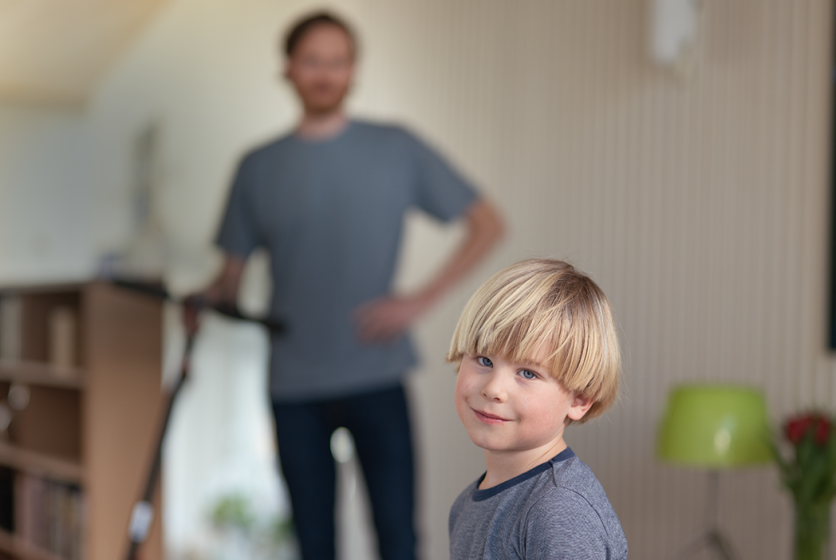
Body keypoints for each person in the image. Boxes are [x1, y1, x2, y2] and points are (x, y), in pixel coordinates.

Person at [194, 11, 504, 560]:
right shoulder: (257, 167)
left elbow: (486, 224)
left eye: (337, 61)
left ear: (353, 71)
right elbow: (231, 277)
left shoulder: (396, 147)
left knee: (398, 540)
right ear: (289, 68)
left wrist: (418, 301)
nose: (325, 73)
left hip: (376, 372)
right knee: (314, 544)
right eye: (313, 60)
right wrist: (205, 299)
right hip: (293, 383)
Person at [446, 258, 627, 560]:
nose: (493, 388)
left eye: (528, 373)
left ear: (579, 399)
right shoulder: (464, 505)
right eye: (484, 360)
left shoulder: (558, 509)